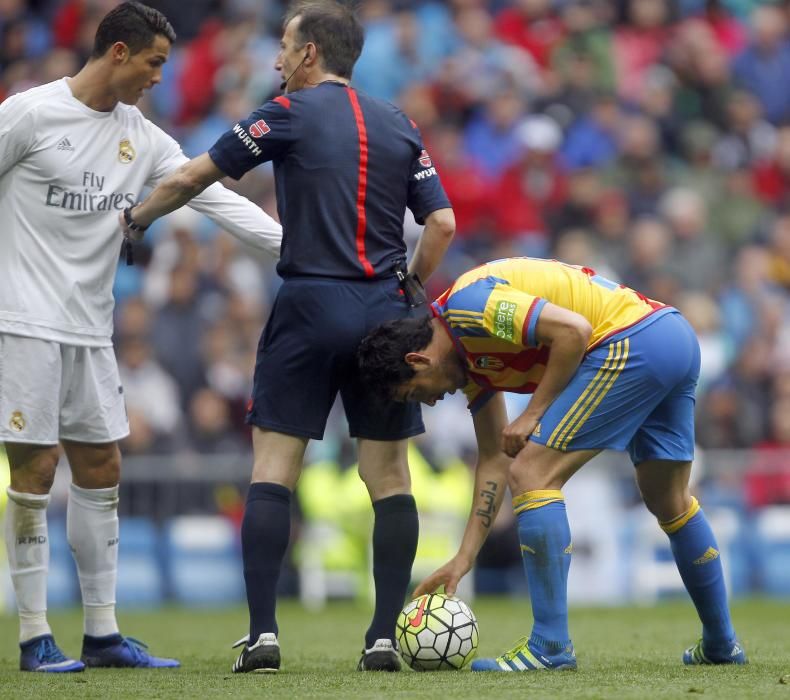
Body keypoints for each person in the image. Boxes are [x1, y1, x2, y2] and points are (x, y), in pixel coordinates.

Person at [119, 0, 455, 674]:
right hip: (385, 311)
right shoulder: (398, 123)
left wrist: (138, 218)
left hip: (308, 303)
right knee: (388, 476)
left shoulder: (285, 113)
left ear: (308, 55)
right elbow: (441, 223)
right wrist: (410, 288)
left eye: (284, 46)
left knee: (273, 469)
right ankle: (384, 638)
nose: (275, 59)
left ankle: (265, 635)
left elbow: (192, 175)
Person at [0, 2, 283, 673]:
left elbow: (215, 197)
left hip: (90, 332)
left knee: (103, 469)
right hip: (23, 324)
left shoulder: (143, 138)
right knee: (35, 472)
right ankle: (34, 635)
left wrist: (301, 252)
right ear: (120, 53)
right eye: (155, 63)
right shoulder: (28, 114)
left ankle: (102, 634)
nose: (162, 77)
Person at [357, 257, 746, 671]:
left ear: (419, 360)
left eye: (414, 394)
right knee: (669, 500)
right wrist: (463, 558)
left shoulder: (471, 306)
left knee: (531, 471)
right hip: (671, 338)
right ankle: (721, 643)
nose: (430, 401)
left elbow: (573, 333)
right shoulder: (470, 364)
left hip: (633, 340)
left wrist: (532, 414)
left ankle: (550, 646)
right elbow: (492, 459)